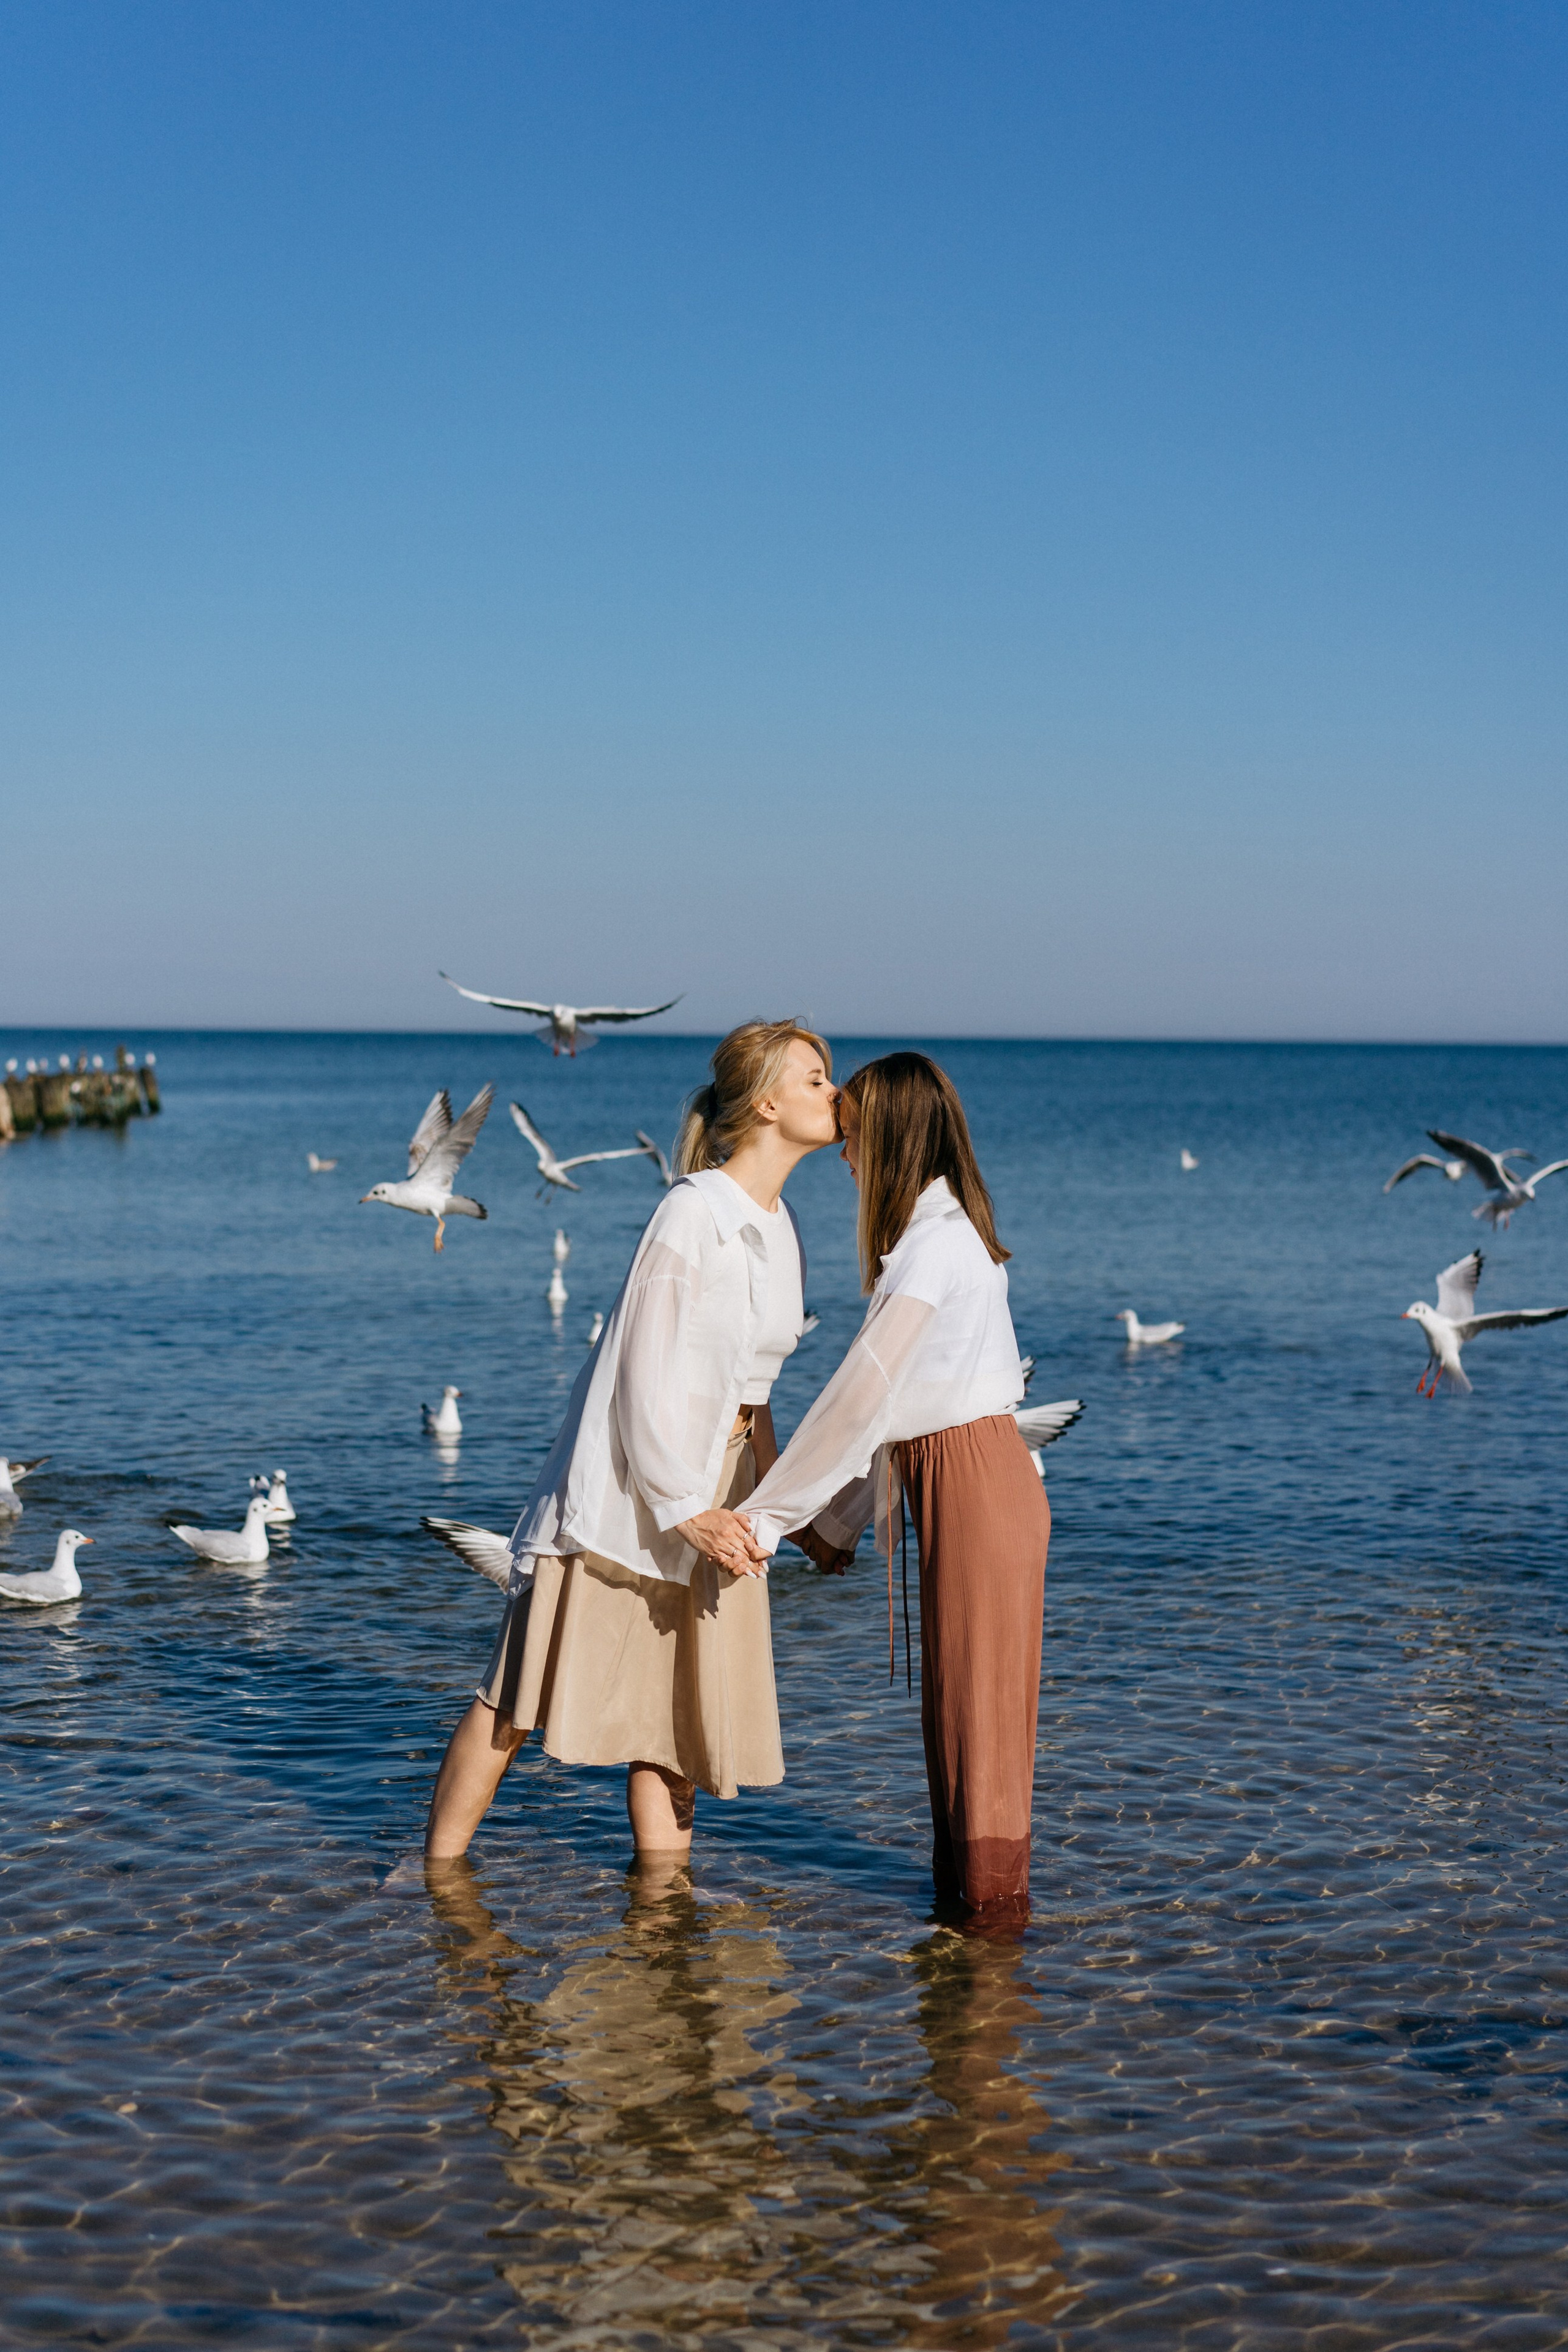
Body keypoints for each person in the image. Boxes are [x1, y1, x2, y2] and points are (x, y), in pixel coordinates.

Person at [424, 1019, 839, 1861]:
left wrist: (790, 1511)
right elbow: (636, 1372)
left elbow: (755, 1396)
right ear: (765, 1103)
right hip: (629, 1484)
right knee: (517, 1693)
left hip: (722, 1488)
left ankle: (664, 1909)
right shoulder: (691, 1210)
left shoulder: (784, 1223)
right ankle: (433, 1876)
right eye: (816, 1078)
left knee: (676, 1715)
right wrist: (684, 1508)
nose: (837, 1093)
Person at [739, 1052, 1050, 1919]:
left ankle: (988, 1944)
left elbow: (862, 1397)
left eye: (855, 1132)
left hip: (977, 1486)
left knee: (978, 1723)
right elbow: (897, 1411)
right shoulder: (943, 1234)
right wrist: (830, 1526)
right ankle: (976, 1947)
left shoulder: (933, 1248)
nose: (843, 1150)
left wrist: (766, 1522)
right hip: (975, 1482)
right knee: (967, 1716)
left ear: (893, 1137)